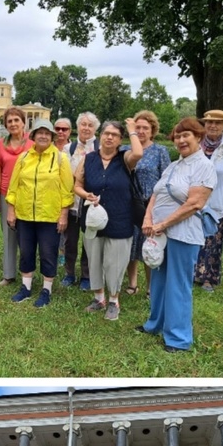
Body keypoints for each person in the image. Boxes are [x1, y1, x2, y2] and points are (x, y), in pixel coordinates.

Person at [138, 117, 217, 352]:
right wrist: (148, 219)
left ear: (198, 137)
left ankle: (179, 339)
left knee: (178, 285)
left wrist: (163, 223)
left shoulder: (204, 166)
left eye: (186, 135)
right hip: (160, 233)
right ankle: (155, 324)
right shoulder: (174, 165)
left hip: (183, 234)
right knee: (159, 281)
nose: (181, 140)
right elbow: (156, 194)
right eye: (178, 136)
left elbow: (194, 203)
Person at [74, 118, 143, 321]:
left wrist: (132, 130)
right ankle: (99, 298)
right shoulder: (89, 158)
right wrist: (85, 195)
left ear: (120, 139)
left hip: (120, 219)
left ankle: (114, 300)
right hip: (93, 220)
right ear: (100, 135)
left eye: (114, 134)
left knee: (115, 261)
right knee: (94, 259)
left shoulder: (125, 159)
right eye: (106, 133)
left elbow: (138, 152)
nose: (109, 137)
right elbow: (77, 184)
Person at [6, 119, 73, 307]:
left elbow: (67, 190)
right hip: (25, 215)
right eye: (39, 132)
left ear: (52, 137)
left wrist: (64, 214)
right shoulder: (24, 157)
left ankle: (46, 290)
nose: (43, 136)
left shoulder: (61, 158)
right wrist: (11, 210)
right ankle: (25, 288)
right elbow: (14, 186)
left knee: (48, 253)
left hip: (50, 216)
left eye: (47, 133)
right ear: (33, 136)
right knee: (26, 252)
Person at [126, 110, 171, 296]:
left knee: (150, 244)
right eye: (138, 128)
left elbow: (167, 179)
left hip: (152, 205)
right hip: (130, 204)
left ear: (152, 131)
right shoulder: (126, 150)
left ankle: (151, 287)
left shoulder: (161, 151)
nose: (142, 131)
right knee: (131, 244)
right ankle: (132, 283)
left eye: (146, 128)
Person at [62, 112, 101, 288]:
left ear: (95, 128)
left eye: (90, 125)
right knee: (70, 241)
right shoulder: (67, 149)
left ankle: (87, 275)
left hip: (91, 202)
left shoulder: (100, 148)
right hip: (71, 203)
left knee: (90, 240)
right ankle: (69, 273)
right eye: (83, 124)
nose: (86, 128)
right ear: (77, 127)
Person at [0, 107, 34, 285]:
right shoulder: (0, 144)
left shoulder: (32, 143)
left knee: (27, 235)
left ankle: (27, 272)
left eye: (16, 120)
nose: (13, 124)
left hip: (27, 194)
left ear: (23, 122)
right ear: (5, 124)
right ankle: (8, 274)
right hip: (6, 194)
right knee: (9, 234)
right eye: (9, 121)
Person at [195, 109, 223, 291]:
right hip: (194, 201)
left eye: (218, 122)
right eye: (209, 122)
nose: (213, 126)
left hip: (218, 202)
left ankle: (208, 278)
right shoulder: (196, 144)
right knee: (193, 238)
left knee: (214, 241)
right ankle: (192, 273)